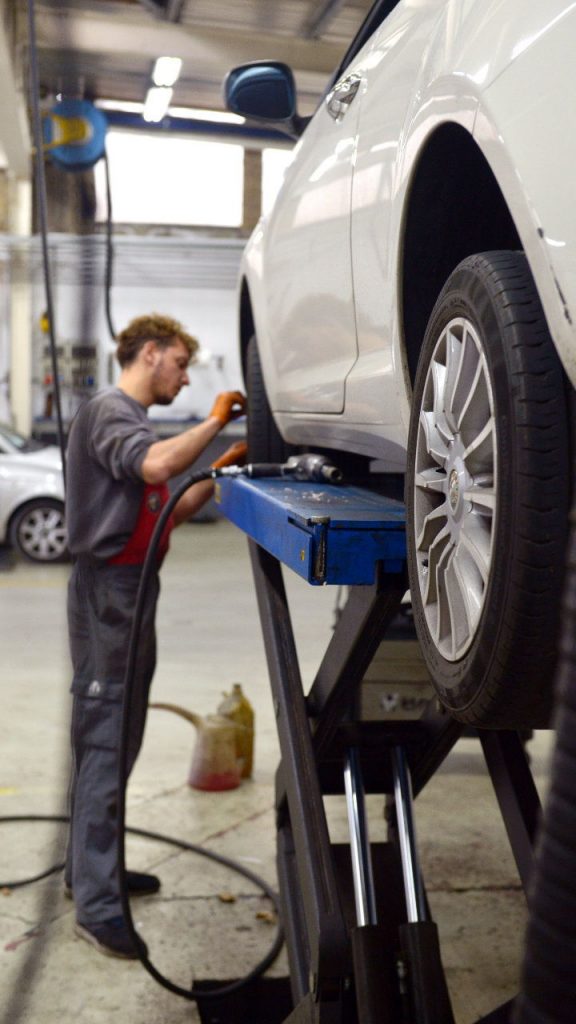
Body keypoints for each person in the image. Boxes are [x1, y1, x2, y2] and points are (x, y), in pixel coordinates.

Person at [64, 313, 247, 959]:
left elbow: (166, 502)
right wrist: (216, 421)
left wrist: (219, 467)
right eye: (179, 363)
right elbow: (153, 469)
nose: (186, 377)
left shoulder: (131, 422)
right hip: (108, 596)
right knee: (106, 742)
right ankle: (97, 906)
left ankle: (89, 874)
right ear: (149, 353)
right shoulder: (112, 412)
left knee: (120, 736)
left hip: (134, 593)